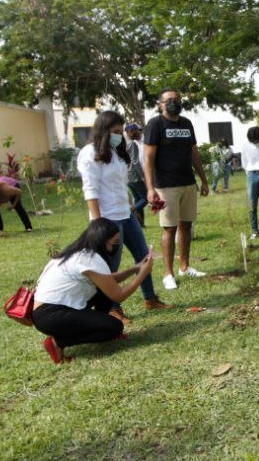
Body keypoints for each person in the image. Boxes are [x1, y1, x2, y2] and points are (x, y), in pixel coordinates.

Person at [77, 111, 167, 313]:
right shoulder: (90, 154)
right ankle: (114, 309)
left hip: (125, 215)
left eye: (121, 131)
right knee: (110, 267)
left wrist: (130, 207)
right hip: (107, 220)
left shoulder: (117, 152)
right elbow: (90, 190)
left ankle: (150, 298)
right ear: (103, 131)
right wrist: (98, 224)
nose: (119, 135)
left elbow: (120, 185)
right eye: (115, 132)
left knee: (143, 256)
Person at [32, 219, 153, 364]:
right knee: (115, 327)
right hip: (52, 315)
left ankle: (98, 324)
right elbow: (118, 295)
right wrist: (142, 274)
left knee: (103, 292)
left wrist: (136, 268)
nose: (114, 248)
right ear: (102, 241)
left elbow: (106, 280)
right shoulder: (91, 259)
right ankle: (59, 342)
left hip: (46, 312)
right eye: (113, 243)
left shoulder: (79, 253)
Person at [143, 89, 210, 289]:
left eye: (177, 99)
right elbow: (148, 158)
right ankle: (168, 274)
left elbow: (194, 153)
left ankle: (184, 266)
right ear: (160, 104)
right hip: (165, 186)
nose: (174, 103)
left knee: (186, 226)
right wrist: (150, 188)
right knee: (169, 228)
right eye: (169, 100)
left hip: (188, 183)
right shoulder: (155, 124)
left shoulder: (186, 123)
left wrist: (203, 180)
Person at [123, 122, 148, 226]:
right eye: (136, 130)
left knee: (137, 198)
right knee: (146, 198)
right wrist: (143, 175)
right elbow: (135, 161)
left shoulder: (124, 143)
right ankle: (130, 213)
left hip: (127, 176)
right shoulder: (131, 144)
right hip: (134, 176)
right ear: (129, 132)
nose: (138, 132)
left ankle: (140, 223)